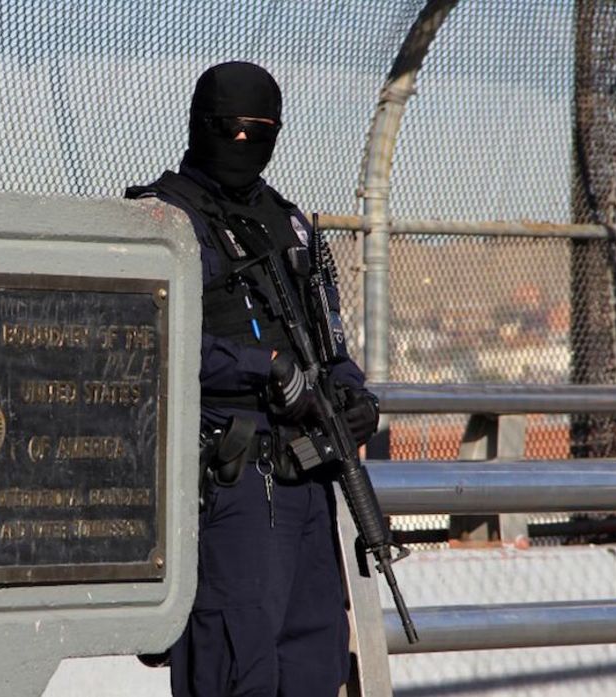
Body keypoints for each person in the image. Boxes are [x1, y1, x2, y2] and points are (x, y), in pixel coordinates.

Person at [126, 62, 380, 697]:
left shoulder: (290, 223)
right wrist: (263, 369)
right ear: (198, 125)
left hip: (309, 476)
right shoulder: (161, 220)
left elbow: (328, 334)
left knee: (315, 655)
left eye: (257, 131)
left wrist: (352, 394)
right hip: (228, 479)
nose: (241, 142)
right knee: (235, 661)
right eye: (226, 128)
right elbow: (144, 342)